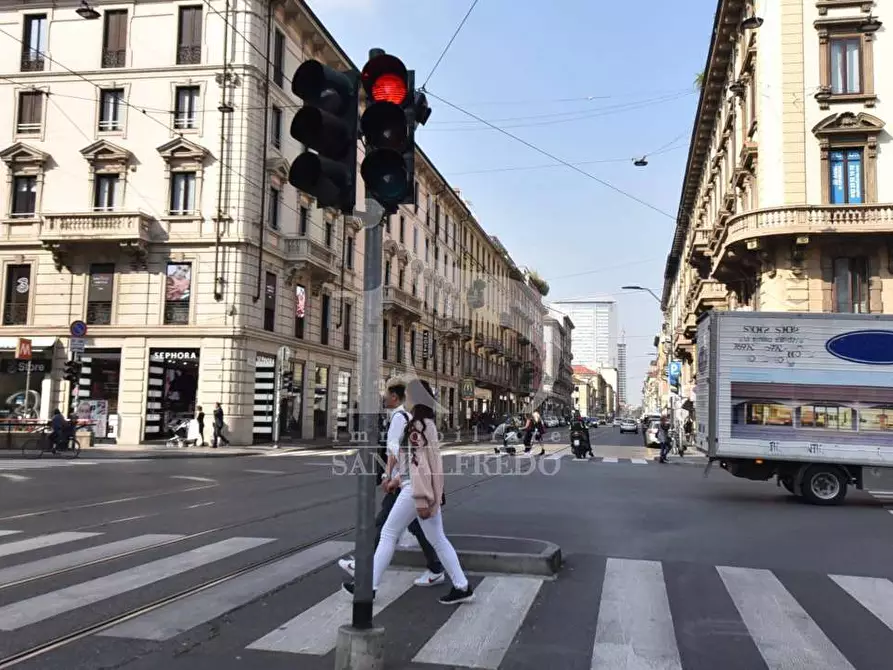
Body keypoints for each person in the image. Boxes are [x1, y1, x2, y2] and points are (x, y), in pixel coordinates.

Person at [342, 379, 474, 605]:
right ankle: (462, 586)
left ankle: (368, 587)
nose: (407, 398)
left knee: (388, 533)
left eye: (410, 395)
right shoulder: (428, 424)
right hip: (424, 487)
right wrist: (399, 481)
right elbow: (425, 464)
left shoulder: (416, 428)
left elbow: (418, 465)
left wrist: (407, 486)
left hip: (416, 490)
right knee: (438, 540)